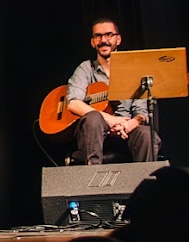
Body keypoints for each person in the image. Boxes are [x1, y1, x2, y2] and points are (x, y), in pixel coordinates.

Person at [65, 18, 160, 165]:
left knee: (147, 134)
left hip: (126, 131)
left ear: (118, 39)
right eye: (98, 36)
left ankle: (145, 184)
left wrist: (129, 124)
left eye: (109, 35)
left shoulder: (132, 71)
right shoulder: (86, 69)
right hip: (95, 134)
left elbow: (141, 112)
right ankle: (93, 180)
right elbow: (73, 103)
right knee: (93, 118)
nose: (103, 40)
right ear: (92, 42)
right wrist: (111, 120)